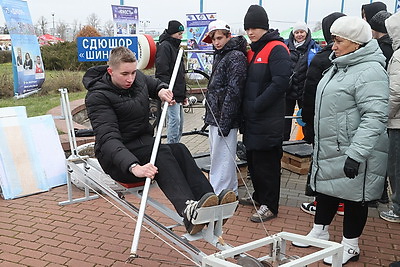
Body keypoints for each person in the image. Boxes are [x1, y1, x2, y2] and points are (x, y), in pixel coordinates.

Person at [83, 46, 236, 235]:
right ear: (110, 71)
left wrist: (162, 90)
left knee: (179, 148)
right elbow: (108, 139)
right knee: (161, 153)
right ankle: (188, 209)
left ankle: (209, 201)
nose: (130, 78)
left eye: (133, 72)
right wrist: (133, 166)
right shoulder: (98, 96)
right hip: (118, 160)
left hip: (143, 145)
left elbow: (152, 83)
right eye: (125, 74)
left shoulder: (136, 78)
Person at [292, 16, 389, 265]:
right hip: (332, 146)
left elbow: (375, 116)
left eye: (338, 40)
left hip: (354, 148)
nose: (332, 45)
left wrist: (357, 153)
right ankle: (320, 230)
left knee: (355, 196)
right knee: (326, 189)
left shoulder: (370, 71)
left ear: (355, 43)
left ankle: (350, 245)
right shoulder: (340, 65)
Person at [239, 5, 291, 222]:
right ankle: (259, 196)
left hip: (267, 118)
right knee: (253, 160)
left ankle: (270, 205)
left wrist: (257, 104)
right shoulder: (253, 50)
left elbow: (280, 83)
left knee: (267, 163)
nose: (250, 32)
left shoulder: (277, 48)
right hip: (252, 118)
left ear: (265, 27)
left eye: (255, 28)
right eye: (248, 28)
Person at [300, 12, 346, 216]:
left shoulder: (322, 57)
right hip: (346, 124)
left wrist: (308, 125)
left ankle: (321, 203)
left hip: (324, 122)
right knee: (344, 162)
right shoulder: (358, 57)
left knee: (324, 164)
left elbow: (309, 94)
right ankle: (343, 203)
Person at [202, 20, 247, 196]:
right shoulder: (222, 54)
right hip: (217, 114)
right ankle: (225, 190)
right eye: (214, 39)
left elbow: (234, 91)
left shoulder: (235, 56)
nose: (216, 42)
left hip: (223, 116)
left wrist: (226, 121)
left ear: (229, 36)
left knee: (223, 158)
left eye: (219, 38)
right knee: (218, 157)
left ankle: (222, 191)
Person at [283, 21, 320, 141]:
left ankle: (307, 141)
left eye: (302, 32)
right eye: (297, 32)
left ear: (307, 32)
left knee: (306, 118)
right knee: (285, 119)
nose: (299, 35)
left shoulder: (314, 47)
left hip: (305, 89)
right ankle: (283, 142)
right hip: (288, 89)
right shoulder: (285, 46)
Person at [380, 10, 400, 224]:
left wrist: (383, 116)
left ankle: (398, 207)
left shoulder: (399, 55)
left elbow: (395, 91)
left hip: (397, 122)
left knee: (396, 168)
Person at [155, 20, 187, 144]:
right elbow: (162, 72)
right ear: (172, 33)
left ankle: (175, 146)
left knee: (179, 124)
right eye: (179, 34)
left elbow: (180, 74)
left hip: (177, 92)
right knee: (174, 122)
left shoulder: (175, 47)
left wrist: (183, 95)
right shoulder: (165, 47)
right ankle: (171, 148)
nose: (181, 37)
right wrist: (168, 92)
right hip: (171, 92)